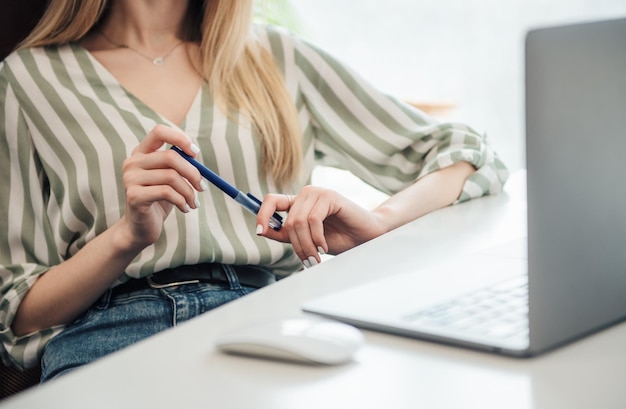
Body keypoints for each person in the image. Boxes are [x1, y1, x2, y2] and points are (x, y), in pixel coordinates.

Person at [0, 0, 508, 381]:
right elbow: (17, 312)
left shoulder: (273, 55)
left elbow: (466, 153)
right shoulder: (28, 78)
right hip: (111, 338)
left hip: (273, 322)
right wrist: (126, 237)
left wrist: (379, 222)